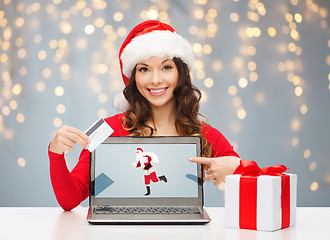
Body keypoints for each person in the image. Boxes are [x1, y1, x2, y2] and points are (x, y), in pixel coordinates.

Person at [48, 20, 240, 211]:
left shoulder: (203, 133)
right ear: (133, 77)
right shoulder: (105, 130)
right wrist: (56, 154)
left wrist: (239, 169)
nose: (156, 80)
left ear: (181, 73)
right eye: (144, 69)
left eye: (166, 67)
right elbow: (69, 199)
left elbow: (255, 180)